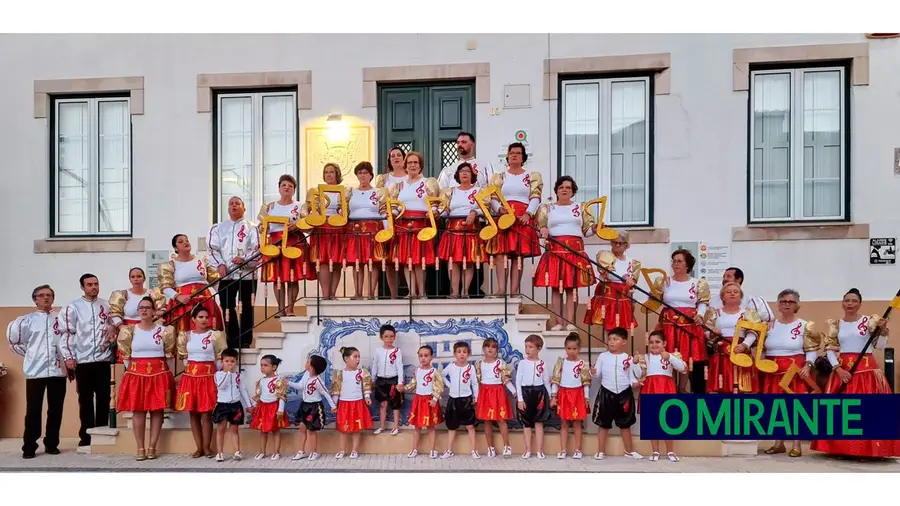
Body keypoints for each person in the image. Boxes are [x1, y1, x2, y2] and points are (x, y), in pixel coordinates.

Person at [811, 288, 900, 458]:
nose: (850, 304)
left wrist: (883, 330)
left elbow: (879, 346)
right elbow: (830, 349)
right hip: (843, 371)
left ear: (860, 304)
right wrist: (838, 369)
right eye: (847, 300)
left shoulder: (869, 321)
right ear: (842, 303)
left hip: (867, 372)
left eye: (854, 301)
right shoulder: (835, 324)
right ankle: (841, 448)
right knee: (842, 411)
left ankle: (868, 449)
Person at [757, 289, 820, 458]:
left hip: (795, 373)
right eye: (783, 301)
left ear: (797, 305)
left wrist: (808, 365)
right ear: (778, 305)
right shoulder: (770, 326)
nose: (787, 304)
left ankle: (796, 444)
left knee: (795, 408)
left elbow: (811, 350)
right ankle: (778, 443)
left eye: (791, 302)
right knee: (775, 408)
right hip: (773, 372)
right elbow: (762, 351)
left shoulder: (805, 325)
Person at [7, 285, 66, 459]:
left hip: (57, 370)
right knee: (33, 410)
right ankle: (29, 446)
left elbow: (66, 342)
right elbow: (15, 342)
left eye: (49, 295)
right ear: (35, 299)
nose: (45, 298)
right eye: (41, 295)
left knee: (56, 409)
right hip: (35, 371)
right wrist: (32, 355)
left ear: (53, 298)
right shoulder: (26, 320)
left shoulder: (60, 319)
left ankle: (52, 443)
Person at [534, 176, 598, 330]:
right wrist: (542, 229)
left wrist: (595, 229)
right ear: (556, 190)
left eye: (568, 187)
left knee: (572, 287)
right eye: (561, 187)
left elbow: (587, 232)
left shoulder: (580, 207)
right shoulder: (546, 208)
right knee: (556, 288)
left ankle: (570, 322)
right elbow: (537, 229)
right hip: (555, 250)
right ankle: (558, 322)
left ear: (573, 191)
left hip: (574, 251)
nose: (564, 190)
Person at [116, 297, 176, 461]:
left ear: (154, 311)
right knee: (138, 412)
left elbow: (169, 354)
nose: (144, 310)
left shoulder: (164, 331)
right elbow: (126, 355)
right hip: (137, 375)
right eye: (141, 308)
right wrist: (133, 372)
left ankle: (152, 446)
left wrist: (164, 372)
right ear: (137, 311)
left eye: (148, 308)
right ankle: (140, 447)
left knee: (157, 411)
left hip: (159, 374)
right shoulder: (130, 331)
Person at [58, 273, 112, 452]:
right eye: (89, 284)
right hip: (83, 360)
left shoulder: (106, 305)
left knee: (104, 397)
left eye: (96, 284)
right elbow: (66, 334)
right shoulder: (72, 307)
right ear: (82, 287)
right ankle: (86, 436)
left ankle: (102, 432)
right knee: (86, 399)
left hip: (103, 359)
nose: (93, 287)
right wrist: (69, 357)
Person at [650, 249, 710, 393]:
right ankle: (670, 388)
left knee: (686, 356)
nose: (675, 264)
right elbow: (655, 301)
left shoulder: (698, 283)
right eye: (674, 261)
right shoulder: (664, 281)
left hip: (689, 325)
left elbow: (703, 302)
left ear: (687, 265)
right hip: (669, 324)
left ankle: (682, 388)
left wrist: (700, 315)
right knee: (669, 354)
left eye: (679, 261)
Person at [258, 174, 316, 316]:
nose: (287, 188)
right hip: (275, 242)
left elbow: (308, 227)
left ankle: (290, 309)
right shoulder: (270, 206)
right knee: (278, 277)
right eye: (284, 185)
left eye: (290, 186)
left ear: (294, 190)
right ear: (279, 188)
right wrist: (262, 228)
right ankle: (280, 308)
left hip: (293, 242)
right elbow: (263, 225)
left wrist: (297, 225)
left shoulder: (299, 206)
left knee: (292, 277)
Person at [488, 143, 542, 296]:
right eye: (511, 153)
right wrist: (499, 209)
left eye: (518, 153)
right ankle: (501, 289)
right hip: (504, 217)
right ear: (507, 156)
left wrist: (528, 214)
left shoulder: (531, 176)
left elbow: (535, 197)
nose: (514, 155)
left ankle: (514, 291)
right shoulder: (499, 177)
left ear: (523, 156)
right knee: (501, 253)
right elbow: (492, 196)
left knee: (518, 255)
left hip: (522, 218)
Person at [208, 196, 260, 348]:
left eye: (237, 203)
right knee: (227, 307)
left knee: (246, 308)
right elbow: (212, 249)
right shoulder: (218, 228)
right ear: (228, 208)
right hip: (226, 275)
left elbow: (258, 249)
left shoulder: (252, 227)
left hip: (247, 275)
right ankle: (232, 340)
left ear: (244, 208)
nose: (234, 206)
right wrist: (219, 265)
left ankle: (245, 341)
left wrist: (245, 260)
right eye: (231, 203)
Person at [175, 306, 226, 458]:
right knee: (193, 413)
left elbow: (219, 357)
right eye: (200, 317)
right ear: (193, 319)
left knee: (206, 413)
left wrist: (215, 375)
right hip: (190, 377)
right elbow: (183, 356)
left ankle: (207, 446)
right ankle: (198, 447)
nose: (204, 320)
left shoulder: (215, 335)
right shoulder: (186, 336)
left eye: (206, 317)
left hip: (208, 376)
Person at [389, 152, 440, 298]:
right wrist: (393, 212)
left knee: (419, 259)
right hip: (404, 225)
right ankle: (411, 291)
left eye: (415, 163)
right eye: (410, 163)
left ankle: (421, 292)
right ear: (405, 165)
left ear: (420, 165)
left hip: (421, 224)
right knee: (407, 260)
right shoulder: (398, 186)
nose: (412, 165)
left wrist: (433, 211)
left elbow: (435, 202)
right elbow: (394, 205)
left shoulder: (428, 182)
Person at [591, 327, 643, 460]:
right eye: (609, 339)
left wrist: (636, 364)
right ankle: (600, 451)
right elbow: (598, 376)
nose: (611, 342)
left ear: (624, 342)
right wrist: (594, 373)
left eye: (615, 339)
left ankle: (629, 451)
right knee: (603, 423)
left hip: (624, 393)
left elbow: (635, 376)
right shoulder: (603, 357)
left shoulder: (628, 358)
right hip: (606, 392)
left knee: (625, 424)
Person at [437, 162, 487, 297]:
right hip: (453, 229)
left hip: (471, 229)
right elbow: (445, 209)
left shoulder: (479, 191)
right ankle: (455, 292)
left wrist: (474, 212)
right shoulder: (450, 191)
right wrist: (436, 213)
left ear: (472, 175)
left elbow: (485, 207)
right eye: (461, 171)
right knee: (453, 261)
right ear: (457, 175)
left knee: (469, 261)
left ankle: (465, 291)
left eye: (467, 171)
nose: (464, 173)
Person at [635, 331, 685, 462]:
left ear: (664, 344)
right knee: (652, 420)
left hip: (666, 388)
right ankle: (655, 450)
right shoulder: (645, 357)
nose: (654, 344)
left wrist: (670, 357)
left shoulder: (672, 355)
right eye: (651, 342)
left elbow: (683, 368)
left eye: (657, 342)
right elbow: (638, 373)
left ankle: (670, 451)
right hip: (650, 388)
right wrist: (635, 363)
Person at [159, 234, 224, 333]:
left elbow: (214, 281)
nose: (185, 242)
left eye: (187, 240)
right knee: (184, 331)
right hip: (183, 301)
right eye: (181, 242)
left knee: (207, 329)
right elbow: (165, 287)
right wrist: (177, 296)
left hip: (205, 300)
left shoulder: (202, 260)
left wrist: (222, 297)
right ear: (176, 248)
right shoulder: (170, 264)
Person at [706, 282, 763, 393]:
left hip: (741, 351)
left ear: (741, 296)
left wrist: (744, 344)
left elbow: (754, 332)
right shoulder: (715, 313)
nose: (732, 294)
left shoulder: (748, 313)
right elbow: (706, 330)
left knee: (742, 386)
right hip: (721, 352)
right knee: (721, 385)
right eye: (728, 292)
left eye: (736, 292)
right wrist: (712, 333)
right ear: (722, 296)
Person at [107, 267, 166, 363]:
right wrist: (123, 328)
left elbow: (161, 309)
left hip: (148, 331)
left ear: (144, 278)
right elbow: (114, 313)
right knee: (127, 359)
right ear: (129, 279)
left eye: (139, 276)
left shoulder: (152, 293)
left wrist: (157, 316)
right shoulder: (123, 294)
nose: (136, 279)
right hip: (128, 331)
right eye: (133, 277)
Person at [346, 162, 387, 299]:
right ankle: (358, 292)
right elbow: (344, 209)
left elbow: (383, 211)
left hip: (373, 228)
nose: (362, 175)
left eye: (365, 173)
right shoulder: (351, 192)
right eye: (360, 173)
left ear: (370, 175)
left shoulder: (378, 192)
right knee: (357, 262)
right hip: (355, 229)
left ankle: (371, 293)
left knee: (373, 261)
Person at [585, 233, 641, 331]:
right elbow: (609, 274)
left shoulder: (632, 262)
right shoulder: (605, 256)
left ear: (626, 245)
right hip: (608, 295)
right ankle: (608, 346)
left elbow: (633, 280)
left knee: (620, 328)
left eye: (620, 243)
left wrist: (631, 282)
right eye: (615, 242)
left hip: (623, 297)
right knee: (608, 326)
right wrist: (623, 277)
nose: (617, 245)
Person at [308, 163, 347, 299]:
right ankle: (325, 294)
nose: (329, 175)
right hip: (321, 228)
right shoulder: (317, 191)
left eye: (331, 172)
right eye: (326, 172)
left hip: (337, 227)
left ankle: (333, 293)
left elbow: (347, 209)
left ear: (337, 174)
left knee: (336, 262)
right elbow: (309, 209)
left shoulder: (344, 191)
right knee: (323, 261)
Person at [550, 332, 591, 460]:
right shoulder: (561, 362)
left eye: (574, 349)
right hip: (564, 394)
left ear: (579, 349)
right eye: (569, 348)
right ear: (565, 348)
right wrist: (554, 396)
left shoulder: (583, 364)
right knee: (564, 424)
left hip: (578, 395)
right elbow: (556, 380)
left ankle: (578, 449)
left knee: (577, 424)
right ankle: (563, 449)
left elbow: (586, 383)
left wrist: (586, 398)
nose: (571, 351)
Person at [288, 355, 336, 461]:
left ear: (312, 367)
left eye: (308, 362)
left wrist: (333, 406)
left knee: (311, 430)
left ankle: (314, 452)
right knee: (302, 427)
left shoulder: (318, 381)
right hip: (304, 405)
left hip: (314, 406)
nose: (306, 362)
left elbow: (325, 393)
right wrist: (288, 383)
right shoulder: (306, 374)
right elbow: (300, 386)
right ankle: (301, 450)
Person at [374, 147, 408, 299]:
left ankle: (412, 291)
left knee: (408, 257)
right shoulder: (384, 179)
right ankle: (394, 295)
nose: (396, 158)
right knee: (389, 260)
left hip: (406, 220)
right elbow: (378, 200)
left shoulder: (413, 177)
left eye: (399, 155)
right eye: (392, 156)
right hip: (388, 221)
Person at [399, 345, 444, 459]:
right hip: (418, 400)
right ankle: (414, 449)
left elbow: (439, 387)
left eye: (426, 355)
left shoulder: (435, 372)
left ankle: (432, 450)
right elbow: (414, 384)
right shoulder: (417, 370)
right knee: (417, 427)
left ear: (431, 357)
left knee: (431, 427)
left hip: (429, 401)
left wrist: (434, 399)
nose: (423, 358)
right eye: (421, 356)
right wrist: (404, 388)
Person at [475, 337, 516, 458]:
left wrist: (514, 391)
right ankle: (490, 447)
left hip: (498, 392)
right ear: (483, 349)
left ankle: (506, 446)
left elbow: (505, 379)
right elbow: (476, 382)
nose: (490, 349)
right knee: (486, 421)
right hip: (484, 392)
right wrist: (475, 397)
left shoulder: (500, 363)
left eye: (493, 347)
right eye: (488, 346)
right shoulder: (479, 364)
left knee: (501, 420)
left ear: (497, 350)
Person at [212, 348, 253, 462]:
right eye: (227, 361)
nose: (230, 364)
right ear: (222, 362)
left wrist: (248, 404)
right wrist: (228, 373)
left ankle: (237, 451)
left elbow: (243, 390)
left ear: (236, 362)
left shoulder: (237, 375)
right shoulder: (218, 374)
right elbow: (221, 386)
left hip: (235, 405)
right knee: (221, 429)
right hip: (222, 405)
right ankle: (220, 453)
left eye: (232, 361)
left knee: (234, 429)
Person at [331, 346, 372, 459]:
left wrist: (367, 396)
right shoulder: (340, 374)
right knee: (343, 429)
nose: (358, 359)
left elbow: (366, 386)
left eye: (359, 357)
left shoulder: (362, 372)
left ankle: (354, 450)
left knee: (356, 429)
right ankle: (342, 450)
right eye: (355, 357)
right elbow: (336, 390)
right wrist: (334, 404)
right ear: (346, 359)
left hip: (357, 403)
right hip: (344, 404)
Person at [441, 342, 480, 459]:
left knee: (470, 426)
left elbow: (474, 383)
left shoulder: (471, 368)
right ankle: (449, 450)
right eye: (459, 352)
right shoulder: (451, 367)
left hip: (466, 400)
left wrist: (476, 396)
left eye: (464, 352)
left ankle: (474, 450)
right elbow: (442, 375)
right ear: (454, 354)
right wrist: (449, 385)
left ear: (468, 354)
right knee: (452, 427)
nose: (461, 354)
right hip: (453, 400)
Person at [515, 334, 551, 459]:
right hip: (526, 393)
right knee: (527, 423)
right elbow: (518, 381)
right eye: (526, 346)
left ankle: (540, 450)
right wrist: (520, 399)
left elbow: (546, 381)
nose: (527, 349)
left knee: (539, 423)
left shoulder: (542, 364)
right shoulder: (522, 363)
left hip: (539, 393)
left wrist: (551, 397)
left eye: (531, 347)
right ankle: (528, 450)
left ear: (538, 348)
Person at [250, 354, 288, 460]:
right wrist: (253, 406)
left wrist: (280, 410)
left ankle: (276, 452)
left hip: (274, 408)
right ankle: (262, 451)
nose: (262, 367)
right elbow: (259, 396)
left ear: (274, 367)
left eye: (265, 365)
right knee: (263, 430)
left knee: (275, 430)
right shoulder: (261, 381)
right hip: (263, 408)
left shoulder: (279, 381)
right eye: (261, 365)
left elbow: (281, 396)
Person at [371, 324, 404, 435]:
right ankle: (382, 426)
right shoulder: (378, 351)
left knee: (395, 404)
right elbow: (375, 364)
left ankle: (396, 426)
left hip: (393, 380)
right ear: (381, 337)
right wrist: (373, 379)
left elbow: (399, 366)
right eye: (386, 336)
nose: (389, 338)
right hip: (381, 380)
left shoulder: (397, 351)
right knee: (382, 404)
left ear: (394, 337)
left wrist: (400, 382)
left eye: (391, 336)